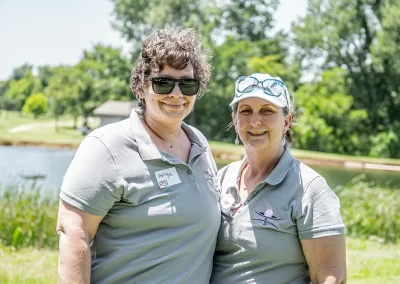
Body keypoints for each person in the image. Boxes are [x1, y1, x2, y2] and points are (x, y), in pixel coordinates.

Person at [56, 28, 221, 284]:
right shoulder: (107, 146)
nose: (177, 94)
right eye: (163, 82)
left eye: (188, 84)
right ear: (141, 86)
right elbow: (73, 232)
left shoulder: (199, 144)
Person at [211, 73, 347, 284]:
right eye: (246, 111)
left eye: (267, 111)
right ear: (235, 120)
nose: (255, 121)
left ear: (287, 120)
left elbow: (330, 277)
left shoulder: (310, 188)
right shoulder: (221, 178)